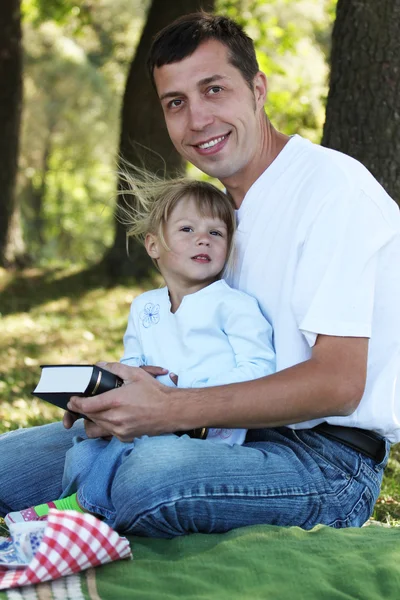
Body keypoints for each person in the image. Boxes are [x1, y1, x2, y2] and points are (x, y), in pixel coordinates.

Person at [0, 12, 399, 536]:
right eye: (176, 103)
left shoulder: (334, 191)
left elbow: (338, 384)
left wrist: (171, 412)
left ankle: (75, 518)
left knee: (145, 477)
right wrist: (129, 392)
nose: (198, 120)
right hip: (198, 433)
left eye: (214, 89)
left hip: (321, 463)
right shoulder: (213, 216)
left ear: (258, 89)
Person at [4, 175, 275, 526]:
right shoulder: (145, 306)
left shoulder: (234, 305)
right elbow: (135, 363)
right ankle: (77, 512)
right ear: (153, 246)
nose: (203, 239)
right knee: (84, 453)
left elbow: (260, 369)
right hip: (148, 419)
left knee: (137, 456)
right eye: (187, 229)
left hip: (207, 430)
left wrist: (183, 392)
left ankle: (82, 512)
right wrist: (107, 390)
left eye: (216, 233)